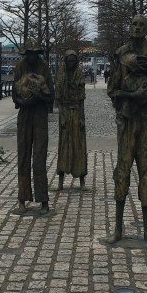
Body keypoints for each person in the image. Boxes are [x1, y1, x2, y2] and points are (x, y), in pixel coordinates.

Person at [106, 15, 147, 245]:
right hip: (127, 121)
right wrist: (133, 95)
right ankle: (118, 228)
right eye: (134, 24)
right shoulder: (121, 54)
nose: (137, 28)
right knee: (123, 168)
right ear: (129, 28)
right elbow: (112, 91)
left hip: (146, 120)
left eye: (142, 25)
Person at [12, 39, 55, 214]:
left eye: (34, 54)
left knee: (39, 159)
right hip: (24, 116)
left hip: (39, 117)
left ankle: (43, 200)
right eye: (28, 53)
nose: (31, 57)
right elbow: (14, 95)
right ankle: (22, 199)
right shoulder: (19, 67)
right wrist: (22, 101)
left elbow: (51, 96)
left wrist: (38, 97)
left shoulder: (44, 68)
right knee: (23, 158)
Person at [55, 50, 87, 191]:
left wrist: (81, 118)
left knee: (79, 146)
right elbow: (59, 100)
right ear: (65, 61)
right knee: (64, 146)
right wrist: (62, 117)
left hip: (76, 112)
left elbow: (81, 101)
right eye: (69, 61)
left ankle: (82, 181)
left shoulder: (79, 74)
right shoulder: (60, 75)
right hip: (65, 114)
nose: (71, 63)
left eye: (74, 61)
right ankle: (61, 180)